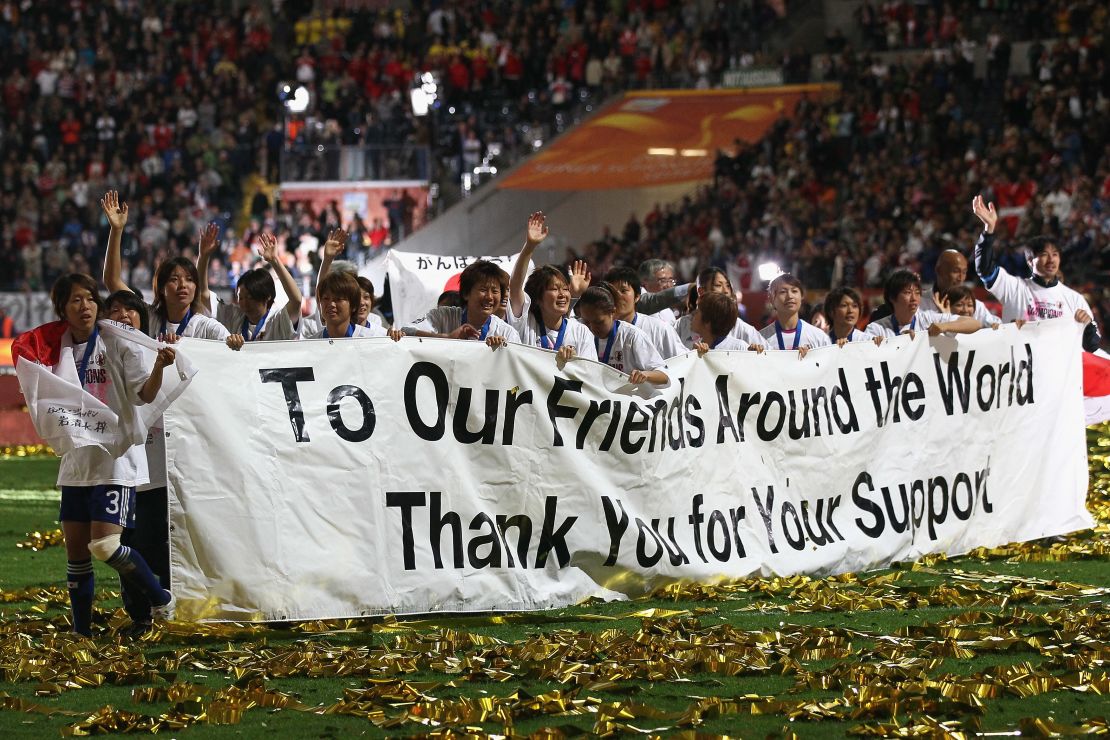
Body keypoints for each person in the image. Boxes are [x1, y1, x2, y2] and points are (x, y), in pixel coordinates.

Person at [44, 274, 177, 636]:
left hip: (114, 459)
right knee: (77, 556)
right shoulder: (56, 349)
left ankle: (160, 597)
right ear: (62, 309)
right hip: (76, 461)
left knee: (104, 545)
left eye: (89, 298)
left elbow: (144, 396)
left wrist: (160, 368)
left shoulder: (117, 342)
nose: (84, 306)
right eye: (75, 300)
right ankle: (82, 633)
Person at [972, 194, 1100, 352]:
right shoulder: (1014, 288)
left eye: (1055, 254)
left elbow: (1092, 346)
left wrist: (1087, 327)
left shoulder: (1074, 299)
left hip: (1055, 374)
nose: (1051, 260)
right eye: (1044, 254)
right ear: (1029, 260)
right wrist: (988, 231)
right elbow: (984, 269)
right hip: (1018, 372)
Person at [101, 191, 229, 342]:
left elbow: (238, 355)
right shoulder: (149, 318)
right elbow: (112, 280)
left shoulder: (208, 328)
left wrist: (235, 342)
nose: (183, 285)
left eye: (189, 279)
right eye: (174, 279)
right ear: (161, 287)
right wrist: (116, 230)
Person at [507, 212, 597, 361]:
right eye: (554, 289)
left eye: (565, 289)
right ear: (538, 298)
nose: (562, 294)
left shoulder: (581, 331)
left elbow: (591, 373)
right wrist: (530, 246)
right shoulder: (525, 323)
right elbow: (515, 286)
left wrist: (575, 362)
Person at [196, 230, 304, 348]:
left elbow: (296, 300)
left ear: (267, 296)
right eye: (240, 297)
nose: (245, 303)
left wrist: (275, 260)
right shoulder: (234, 315)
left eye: (251, 297)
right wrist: (203, 256)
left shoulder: (278, 319)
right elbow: (202, 293)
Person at [399, 260, 521, 348]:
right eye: (483, 290)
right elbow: (407, 330)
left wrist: (505, 351)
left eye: (495, 291)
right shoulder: (445, 316)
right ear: (466, 293)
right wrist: (447, 338)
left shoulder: (507, 334)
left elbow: (518, 378)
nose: (489, 297)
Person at [576, 284, 668, 385]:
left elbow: (664, 376)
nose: (592, 328)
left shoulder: (632, 336)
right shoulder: (578, 331)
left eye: (599, 322)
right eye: (586, 322)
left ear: (613, 312)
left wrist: (645, 375)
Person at [864, 269, 981, 339]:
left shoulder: (928, 319)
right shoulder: (876, 329)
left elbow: (974, 323)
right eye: (907, 293)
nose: (914, 298)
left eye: (917, 292)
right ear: (892, 297)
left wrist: (943, 326)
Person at [604, 266, 686, 359]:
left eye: (623, 291)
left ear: (637, 296)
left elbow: (683, 362)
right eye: (612, 292)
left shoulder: (660, 330)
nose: (617, 296)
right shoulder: (596, 330)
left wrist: (697, 353)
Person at [675, 267, 762, 348]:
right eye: (718, 285)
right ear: (701, 291)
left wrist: (755, 353)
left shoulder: (740, 327)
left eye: (728, 286)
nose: (726, 291)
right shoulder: (682, 325)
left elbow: (768, 355)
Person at [924, 249, 1001, 328]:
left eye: (964, 272)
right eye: (955, 271)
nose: (961, 278)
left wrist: (1010, 326)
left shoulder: (974, 305)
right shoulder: (920, 302)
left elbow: (997, 326)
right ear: (939, 270)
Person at [759, 274, 831, 355]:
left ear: (801, 296)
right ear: (772, 299)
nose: (790, 296)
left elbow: (829, 366)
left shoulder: (819, 337)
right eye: (783, 292)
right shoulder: (761, 339)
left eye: (794, 291)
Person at [305, 272, 387, 339]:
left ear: (354, 306)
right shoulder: (310, 346)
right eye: (326, 298)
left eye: (338, 299)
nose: (331, 304)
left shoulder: (374, 339)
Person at [638, 258, 681, 325]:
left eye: (670, 280)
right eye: (663, 281)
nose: (668, 286)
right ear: (645, 282)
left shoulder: (668, 311)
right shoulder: (638, 304)